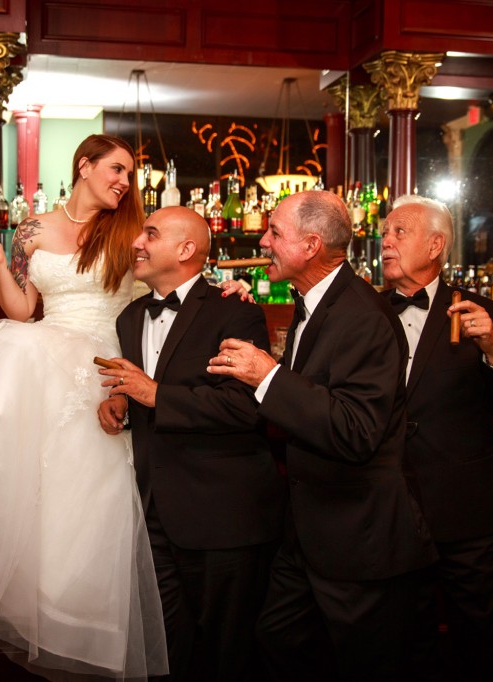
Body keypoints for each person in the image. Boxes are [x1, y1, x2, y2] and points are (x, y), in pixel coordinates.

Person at [0, 134, 168, 680]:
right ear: (85, 165)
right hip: (46, 354)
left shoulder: (130, 232)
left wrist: (233, 289)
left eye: (130, 174)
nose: (125, 182)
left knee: (87, 499)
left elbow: (170, 280)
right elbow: (24, 309)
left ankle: (76, 615)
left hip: (107, 364)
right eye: (117, 169)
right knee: (20, 468)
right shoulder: (31, 229)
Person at [206, 190, 437, 681]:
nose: (263, 241)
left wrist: (268, 377)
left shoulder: (364, 318)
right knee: (277, 638)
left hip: (360, 537)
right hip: (310, 531)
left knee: (366, 663)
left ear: (311, 246)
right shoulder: (313, 302)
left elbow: (355, 430)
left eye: (274, 233)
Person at [96, 206, 285, 681]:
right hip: (152, 512)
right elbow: (138, 391)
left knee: (227, 653)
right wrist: (119, 404)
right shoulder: (130, 317)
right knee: (163, 650)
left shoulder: (235, 311)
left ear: (185, 250)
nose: (137, 242)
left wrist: (154, 395)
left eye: (150, 234)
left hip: (222, 515)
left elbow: (244, 409)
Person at [381, 195, 493, 681]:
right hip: (387, 506)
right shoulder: (363, 312)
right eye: (384, 232)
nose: (385, 240)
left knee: (477, 636)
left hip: (464, 509)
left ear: (436, 244)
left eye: (399, 231)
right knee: (402, 638)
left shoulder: (484, 314)